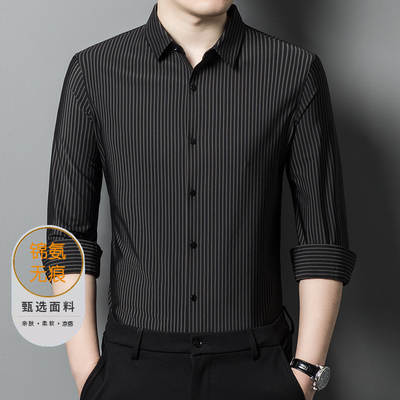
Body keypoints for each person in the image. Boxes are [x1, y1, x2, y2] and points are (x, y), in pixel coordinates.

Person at [43, 1, 357, 399]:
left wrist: (305, 375)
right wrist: (88, 376)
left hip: (257, 367)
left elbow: (323, 241)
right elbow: (65, 240)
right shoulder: (93, 72)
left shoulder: (294, 71)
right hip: (132, 370)